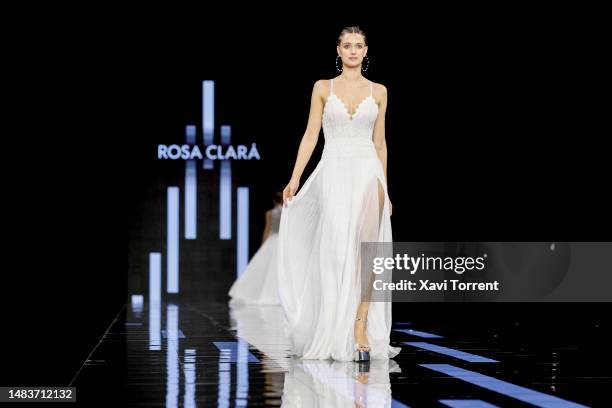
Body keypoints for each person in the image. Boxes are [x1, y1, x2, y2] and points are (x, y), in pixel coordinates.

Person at [277, 26, 401, 362]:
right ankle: (332, 323)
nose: (352, 51)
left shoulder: (379, 91)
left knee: (369, 246)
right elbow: (310, 135)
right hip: (333, 170)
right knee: (335, 252)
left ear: (365, 50)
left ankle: (360, 324)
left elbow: (380, 143)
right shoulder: (322, 88)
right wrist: (295, 177)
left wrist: (386, 188)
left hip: (367, 171)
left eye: (358, 46)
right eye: (347, 45)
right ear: (338, 49)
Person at [228, 191, 283, 305]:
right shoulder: (286, 212)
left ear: (274, 201)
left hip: (272, 240)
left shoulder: (269, 213)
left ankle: (263, 293)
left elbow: (267, 229)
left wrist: (263, 244)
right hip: (282, 241)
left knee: (266, 269)